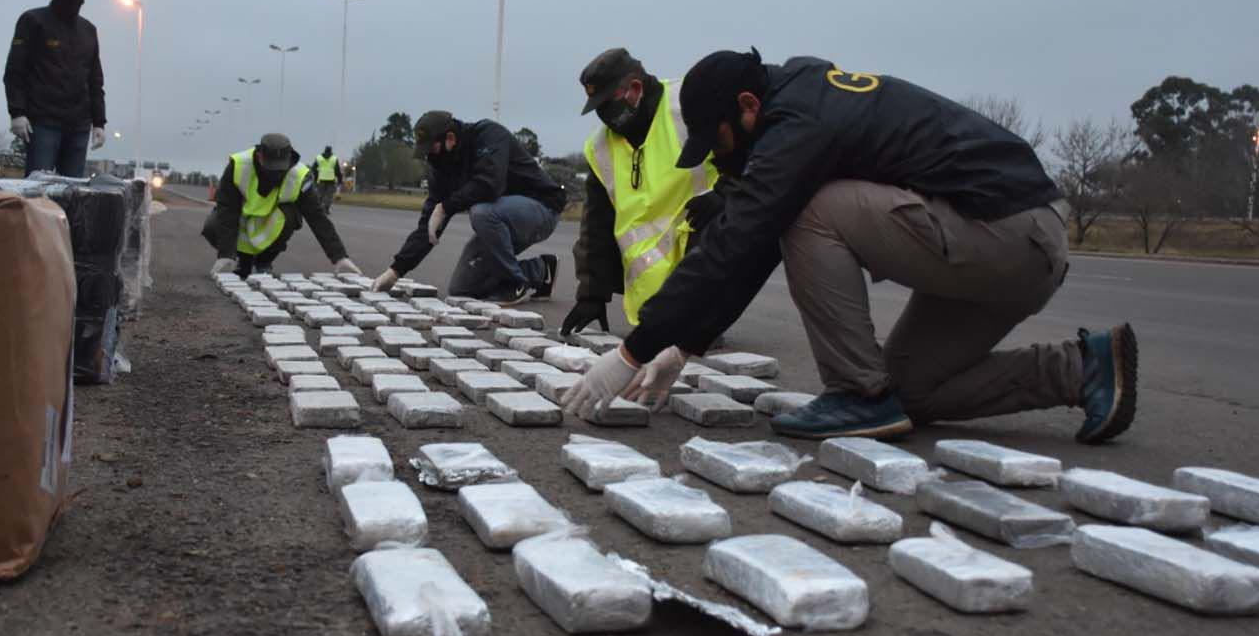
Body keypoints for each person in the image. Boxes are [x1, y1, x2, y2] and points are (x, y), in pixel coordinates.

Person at [565, 48, 1137, 445]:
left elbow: (740, 240)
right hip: (998, 244)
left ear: (748, 106)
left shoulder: (800, 124)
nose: (720, 157)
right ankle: (1081, 369)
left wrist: (631, 353)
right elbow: (751, 251)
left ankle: (855, 393)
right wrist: (682, 346)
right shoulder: (794, 104)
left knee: (810, 211)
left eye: (720, 140)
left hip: (1011, 232)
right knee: (911, 392)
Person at [564, 48, 725, 338]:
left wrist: (727, 193)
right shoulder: (600, 148)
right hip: (652, 286)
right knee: (658, 329)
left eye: (608, 104)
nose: (605, 116)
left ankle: (703, 315)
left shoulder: (686, 105)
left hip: (711, 235)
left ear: (636, 88)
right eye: (598, 107)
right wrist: (591, 295)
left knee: (725, 217)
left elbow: (749, 153)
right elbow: (596, 225)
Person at [371, 111, 564, 305]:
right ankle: (541, 270)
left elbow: (490, 184)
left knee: (482, 212)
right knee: (461, 289)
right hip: (499, 223)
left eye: (432, 149)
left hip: (541, 208)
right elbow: (428, 227)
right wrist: (395, 271)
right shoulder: (442, 169)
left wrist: (445, 207)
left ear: (450, 138)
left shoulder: (489, 135)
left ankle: (514, 282)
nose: (429, 156)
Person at [202, 133, 363, 279]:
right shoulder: (238, 166)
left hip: (273, 219)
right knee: (212, 225)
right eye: (271, 167)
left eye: (280, 168)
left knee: (291, 215)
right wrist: (226, 253)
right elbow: (227, 210)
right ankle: (243, 261)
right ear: (259, 156)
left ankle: (264, 262)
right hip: (242, 217)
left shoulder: (299, 175)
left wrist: (339, 256)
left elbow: (317, 217)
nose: (276, 173)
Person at [3, 0, 106, 177]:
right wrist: (17, 112)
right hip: (43, 121)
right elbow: (15, 69)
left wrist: (99, 122)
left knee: (73, 189)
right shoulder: (33, 21)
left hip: (79, 125)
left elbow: (95, 79)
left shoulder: (88, 31)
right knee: (36, 186)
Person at [313, 146, 343, 213]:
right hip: (331, 180)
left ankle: (319, 208)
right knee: (329, 195)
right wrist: (340, 179)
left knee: (320, 194)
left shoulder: (319, 158)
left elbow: (314, 169)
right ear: (331, 151)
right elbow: (337, 170)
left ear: (324, 150)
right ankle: (326, 207)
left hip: (321, 179)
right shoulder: (334, 159)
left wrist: (315, 177)